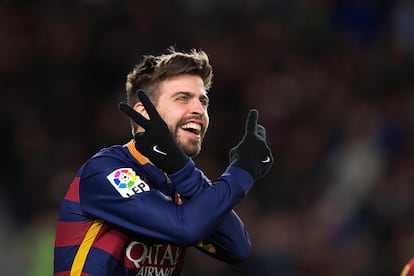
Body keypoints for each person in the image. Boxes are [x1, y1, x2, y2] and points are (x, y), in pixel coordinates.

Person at [53, 47, 273, 276]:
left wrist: (182, 171)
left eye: (203, 101)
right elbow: (185, 228)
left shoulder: (179, 183)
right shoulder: (107, 171)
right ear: (145, 113)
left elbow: (236, 247)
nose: (199, 110)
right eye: (183, 98)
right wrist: (242, 170)